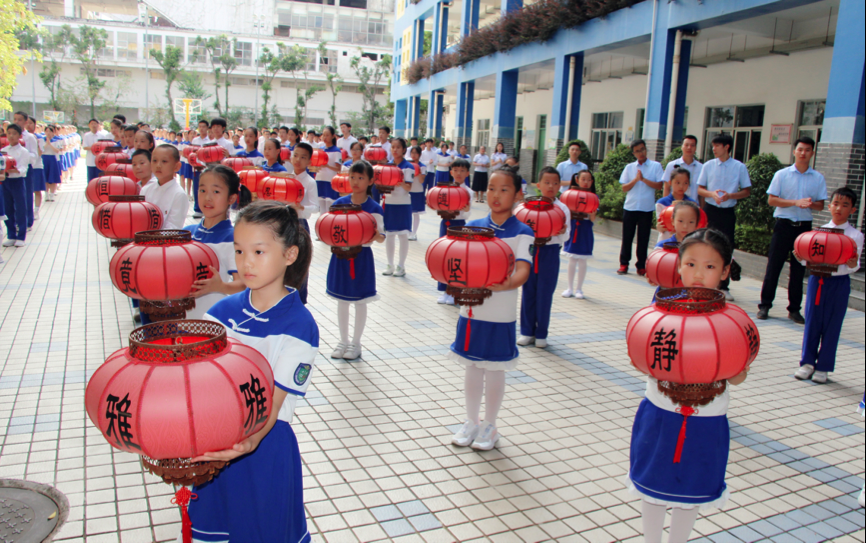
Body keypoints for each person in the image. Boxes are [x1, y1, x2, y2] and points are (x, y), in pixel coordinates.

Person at [187, 200, 316, 543]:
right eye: (240, 250)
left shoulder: (299, 325)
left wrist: (250, 440)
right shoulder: (219, 313)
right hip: (214, 440)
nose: (245, 262)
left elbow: (273, 404)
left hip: (264, 448)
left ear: (290, 255)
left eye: (259, 252)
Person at [628, 228, 750, 543]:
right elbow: (644, 358)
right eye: (691, 264)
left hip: (707, 418)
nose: (698, 274)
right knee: (653, 485)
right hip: (660, 411)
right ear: (679, 265)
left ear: (725, 271)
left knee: (691, 491)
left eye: (710, 267)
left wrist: (733, 365)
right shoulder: (659, 312)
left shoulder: (733, 319)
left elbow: (737, 376)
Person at [450, 168, 532, 451]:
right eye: (493, 188)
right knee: (472, 364)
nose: (497, 195)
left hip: (501, 311)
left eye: (505, 189)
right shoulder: (473, 226)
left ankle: (490, 426)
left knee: (495, 368)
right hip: (472, 310)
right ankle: (471, 421)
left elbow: (524, 270)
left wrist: (505, 284)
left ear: (517, 194)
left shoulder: (523, 231)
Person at [793, 187, 862, 384]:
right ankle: (807, 363)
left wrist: (851, 264)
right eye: (836, 204)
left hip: (839, 283)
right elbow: (811, 259)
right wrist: (801, 259)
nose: (839, 208)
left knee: (833, 325)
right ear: (829, 206)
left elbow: (854, 265)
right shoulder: (819, 231)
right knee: (813, 321)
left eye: (845, 205)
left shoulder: (855, 235)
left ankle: (823, 366)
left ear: (853, 210)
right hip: (817, 280)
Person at [758, 136, 827, 323]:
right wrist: (795, 202)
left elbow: (821, 205)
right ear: (794, 151)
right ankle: (764, 306)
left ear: (812, 153)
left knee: (799, 269)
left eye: (807, 150)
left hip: (804, 229)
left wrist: (809, 204)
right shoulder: (782, 174)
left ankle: (794, 309)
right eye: (800, 149)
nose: (803, 153)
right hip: (783, 225)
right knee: (774, 267)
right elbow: (771, 200)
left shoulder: (818, 178)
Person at [328, 161, 385, 361]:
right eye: (353, 177)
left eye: (361, 178)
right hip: (340, 256)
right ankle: (343, 340)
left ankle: (356, 343)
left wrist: (377, 235)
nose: (356, 181)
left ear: (370, 181)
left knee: (360, 301)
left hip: (362, 258)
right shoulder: (338, 203)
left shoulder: (374, 207)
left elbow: (381, 236)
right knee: (342, 300)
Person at [185, 164, 251, 320]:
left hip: (214, 320)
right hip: (183, 319)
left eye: (216, 192)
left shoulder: (234, 238)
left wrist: (220, 286)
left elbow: (243, 284)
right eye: (202, 190)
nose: (207, 197)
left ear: (231, 198)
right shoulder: (187, 233)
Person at [518, 167, 570, 349]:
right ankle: (526, 331)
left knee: (545, 294)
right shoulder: (526, 206)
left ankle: (541, 333)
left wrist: (562, 231)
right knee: (528, 291)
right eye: (547, 182)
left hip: (550, 253)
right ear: (538, 185)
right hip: (531, 252)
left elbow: (566, 237)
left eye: (555, 183)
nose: (551, 186)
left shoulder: (562, 208)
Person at [697, 134, 751, 301]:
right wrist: (711, 194)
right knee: (707, 245)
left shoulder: (739, 167)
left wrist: (731, 196)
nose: (713, 149)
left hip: (727, 212)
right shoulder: (708, 166)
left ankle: (724, 286)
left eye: (717, 145)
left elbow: (747, 191)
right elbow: (700, 189)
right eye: (713, 145)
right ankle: (705, 283)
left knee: (727, 248)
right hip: (710, 210)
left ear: (727, 147)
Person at [618, 139, 664, 276]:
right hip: (630, 207)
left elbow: (659, 186)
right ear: (633, 153)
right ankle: (624, 263)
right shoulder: (629, 167)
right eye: (637, 151)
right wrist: (636, 180)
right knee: (627, 237)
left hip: (646, 208)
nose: (641, 153)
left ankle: (641, 265)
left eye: (642, 149)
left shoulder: (655, 166)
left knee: (643, 239)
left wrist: (643, 180)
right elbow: (624, 188)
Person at [436, 159, 473, 305]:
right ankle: (445, 291)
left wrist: (462, 207)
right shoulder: (444, 189)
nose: (459, 173)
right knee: (443, 257)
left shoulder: (468, 192)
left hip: (459, 226)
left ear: (467, 173)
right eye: (456, 170)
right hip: (445, 223)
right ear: (451, 172)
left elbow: (467, 211)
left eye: (462, 170)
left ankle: (454, 292)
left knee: (456, 259)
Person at [288, 142, 319, 305]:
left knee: (300, 263)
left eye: (303, 157)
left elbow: (316, 207)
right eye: (295, 155)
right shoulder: (286, 178)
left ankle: (299, 300)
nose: (298, 160)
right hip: (285, 223)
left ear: (309, 161)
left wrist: (301, 208)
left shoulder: (310, 182)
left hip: (300, 224)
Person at [380, 138, 414, 277]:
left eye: (398, 147)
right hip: (389, 203)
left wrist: (399, 181)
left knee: (402, 235)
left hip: (403, 204)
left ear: (404, 150)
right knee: (389, 234)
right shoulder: (387, 166)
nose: (395, 150)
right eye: (393, 147)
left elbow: (409, 187)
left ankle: (401, 266)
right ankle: (390, 264)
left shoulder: (408, 166)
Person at [562, 170, 597, 299]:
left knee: (582, 259)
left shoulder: (594, 197)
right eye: (583, 179)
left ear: (592, 181)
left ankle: (579, 289)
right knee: (572, 259)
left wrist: (592, 212)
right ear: (577, 180)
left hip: (586, 228)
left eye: (588, 179)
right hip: (573, 227)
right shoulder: (571, 194)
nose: (586, 182)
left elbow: (593, 219)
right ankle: (569, 288)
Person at [141, 145, 189, 230]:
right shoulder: (146, 189)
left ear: (176, 166)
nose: (158, 165)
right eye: (154, 161)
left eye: (164, 161)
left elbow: (174, 227)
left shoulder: (179, 194)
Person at [1, 124, 31, 247]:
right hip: (5, 182)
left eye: (14, 133)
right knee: (7, 209)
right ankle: (11, 235)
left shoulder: (23, 151)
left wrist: (13, 169)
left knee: (20, 209)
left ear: (19, 135)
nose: (11, 136)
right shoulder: (4, 151)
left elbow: (24, 168)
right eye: (9, 133)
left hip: (18, 181)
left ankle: (21, 237)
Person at [655, 167, 697, 243]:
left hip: (686, 243)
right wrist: (659, 227)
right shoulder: (661, 203)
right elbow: (661, 225)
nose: (681, 186)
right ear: (670, 182)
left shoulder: (693, 205)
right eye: (678, 183)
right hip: (666, 242)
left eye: (685, 183)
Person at [13, 113, 38, 229]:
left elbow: (34, 155)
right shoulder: (10, 136)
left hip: (26, 169)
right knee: (13, 197)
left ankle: (28, 221)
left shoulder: (29, 137)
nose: (17, 122)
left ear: (26, 121)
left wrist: (23, 156)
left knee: (26, 195)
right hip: (12, 170)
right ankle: (16, 221)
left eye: (20, 120)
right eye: (15, 119)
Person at [661, 135, 702, 203]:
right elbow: (667, 188)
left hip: (693, 207)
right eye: (686, 145)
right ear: (682, 147)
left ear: (695, 148)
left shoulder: (701, 167)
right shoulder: (672, 165)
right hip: (675, 206)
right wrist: (666, 206)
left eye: (692, 145)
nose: (689, 147)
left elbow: (701, 193)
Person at [315, 127, 343, 220]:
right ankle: (321, 223)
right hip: (320, 179)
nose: (325, 137)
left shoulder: (336, 150)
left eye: (327, 135)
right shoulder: (320, 149)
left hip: (330, 180)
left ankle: (329, 223)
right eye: (324, 135)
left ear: (333, 136)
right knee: (321, 204)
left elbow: (338, 168)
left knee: (329, 204)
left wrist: (327, 165)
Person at [25, 117, 46, 221]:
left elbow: (40, 153)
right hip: (26, 166)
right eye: (27, 123)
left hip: (37, 166)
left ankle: (36, 210)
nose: (29, 125)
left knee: (37, 190)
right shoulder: (22, 137)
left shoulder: (40, 138)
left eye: (31, 123)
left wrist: (36, 143)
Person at [191, 120, 212, 219]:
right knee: (196, 189)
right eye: (200, 126)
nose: (202, 128)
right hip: (197, 168)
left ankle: (207, 208)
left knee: (208, 189)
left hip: (208, 168)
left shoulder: (210, 141)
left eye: (204, 126)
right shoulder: (195, 140)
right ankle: (197, 209)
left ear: (207, 128)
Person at [408, 145, 427, 241]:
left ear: (419, 154)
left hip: (417, 192)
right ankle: (408, 231)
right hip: (408, 191)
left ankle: (414, 233)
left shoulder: (422, 166)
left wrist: (418, 171)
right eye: (412, 152)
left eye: (416, 153)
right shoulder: (407, 164)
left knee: (416, 213)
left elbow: (421, 180)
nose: (413, 155)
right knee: (407, 212)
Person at [42, 125, 62, 201]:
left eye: (50, 131)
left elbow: (57, 150)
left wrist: (50, 144)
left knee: (53, 178)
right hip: (44, 158)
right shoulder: (42, 140)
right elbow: (41, 150)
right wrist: (47, 143)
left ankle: (52, 194)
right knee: (45, 178)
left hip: (53, 159)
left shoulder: (56, 140)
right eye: (47, 131)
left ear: (53, 132)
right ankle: (46, 194)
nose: (48, 133)